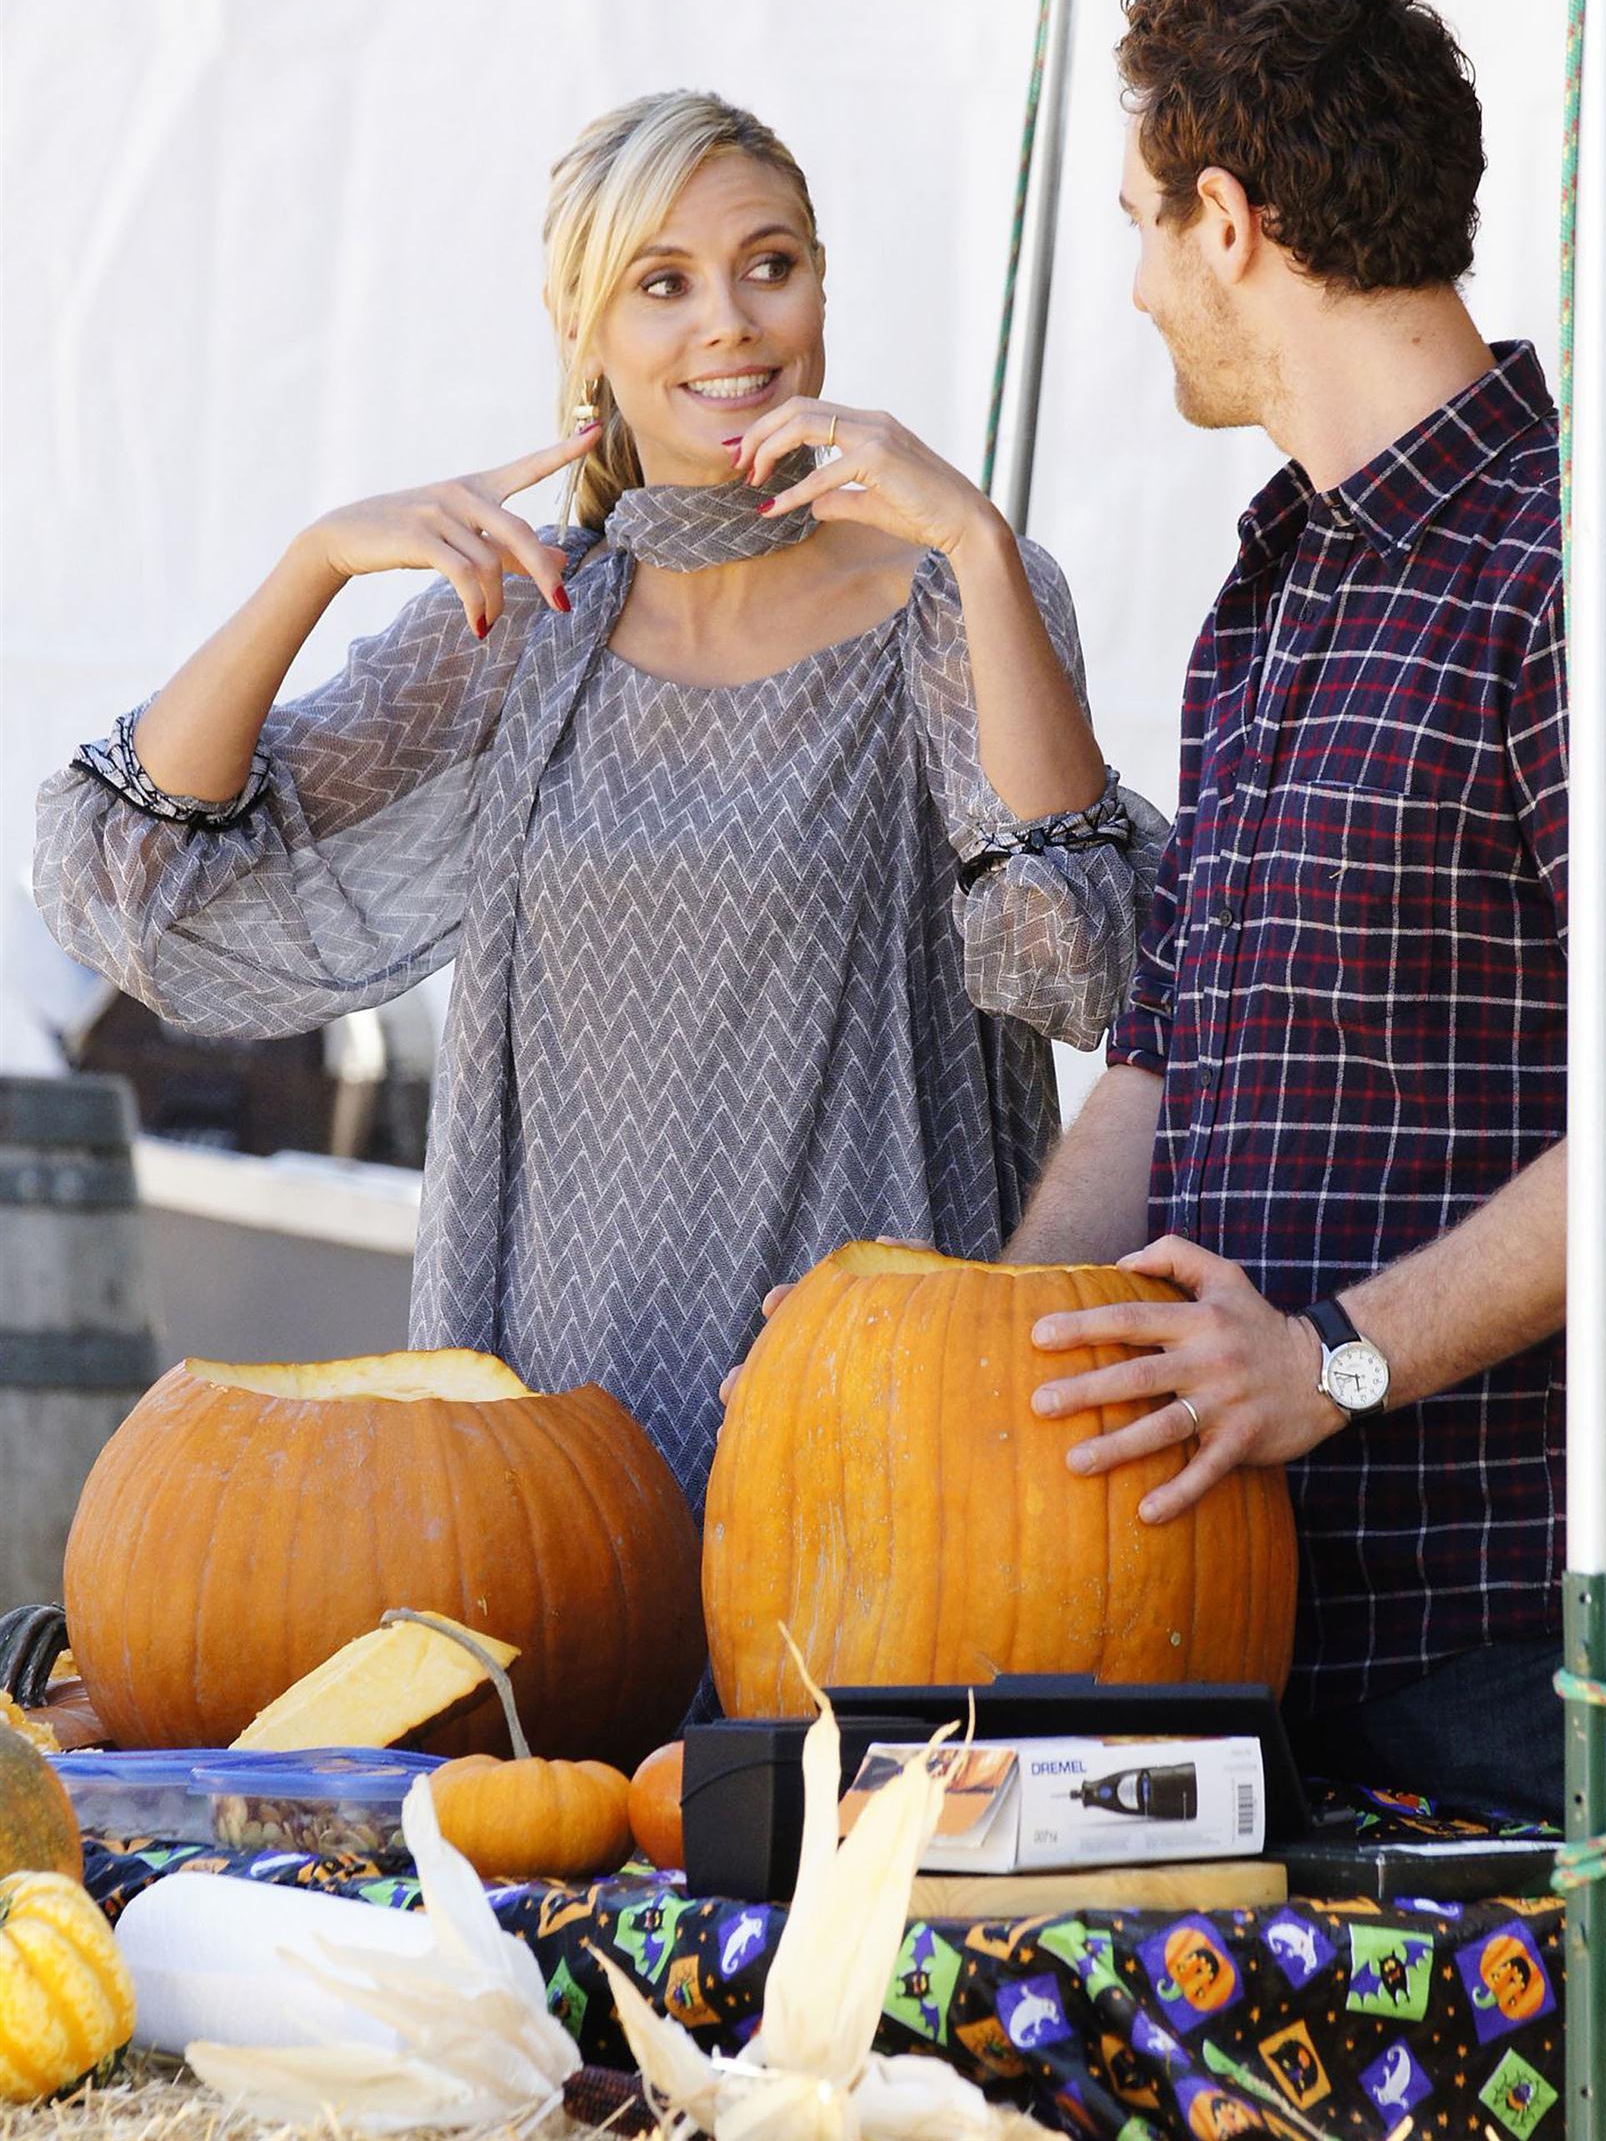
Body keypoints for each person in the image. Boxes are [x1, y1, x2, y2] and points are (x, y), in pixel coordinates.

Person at [34, 88, 1166, 1518]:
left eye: (771, 265)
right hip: (556, 1424)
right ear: (586, 337)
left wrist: (981, 540)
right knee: (560, 1739)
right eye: (661, 284)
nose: (730, 324)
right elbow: (144, 869)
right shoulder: (527, 626)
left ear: (821, 286)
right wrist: (314, 562)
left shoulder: (946, 595)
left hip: (859, 1409)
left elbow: (1089, 957)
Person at [1002, 0, 1606, 1822]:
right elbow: (1163, 1054)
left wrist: (1334, 1365)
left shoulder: (1584, 565)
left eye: (1139, 223)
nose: (1130, 285)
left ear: (1227, 220)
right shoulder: (1271, 590)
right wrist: (936, 1358)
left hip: (1505, 1648)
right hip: (1223, 1620)